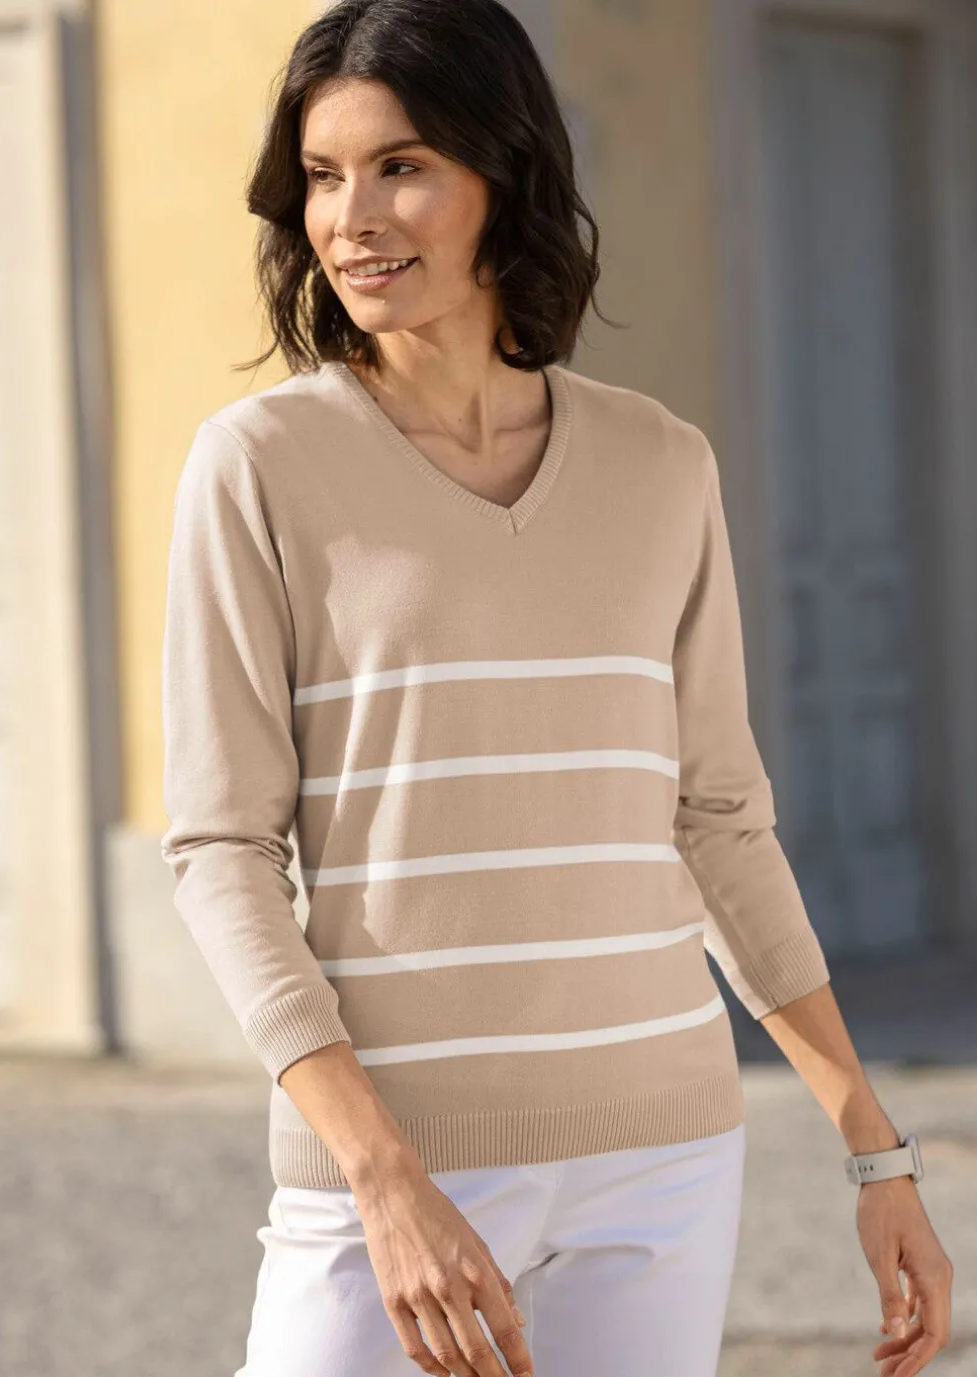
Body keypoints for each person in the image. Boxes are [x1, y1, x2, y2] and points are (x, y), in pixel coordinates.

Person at [159, 2, 954, 1374]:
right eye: (325, 177)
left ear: (503, 173)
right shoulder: (260, 467)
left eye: (402, 166)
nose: (353, 218)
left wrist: (874, 1152)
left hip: (661, 1159)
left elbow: (718, 822)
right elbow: (222, 849)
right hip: (389, 1171)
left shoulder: (662, 465)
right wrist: (383, 1179)